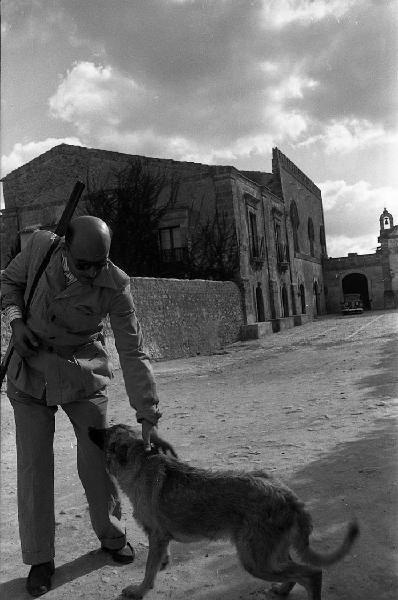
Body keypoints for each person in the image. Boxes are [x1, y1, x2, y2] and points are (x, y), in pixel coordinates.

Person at [1, 216, 170, 598]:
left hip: (82, 373)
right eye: (84, 265)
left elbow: (133, 350)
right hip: (29, 372)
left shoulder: (116, 285)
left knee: (99, 460)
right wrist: (16, 323)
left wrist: (147, 413)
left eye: (101, 263)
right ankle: (40, 559)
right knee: (33, 468)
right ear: (65, 250)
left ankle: (111, 536)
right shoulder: (41, 247)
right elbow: (8, 282)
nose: (94, 273)